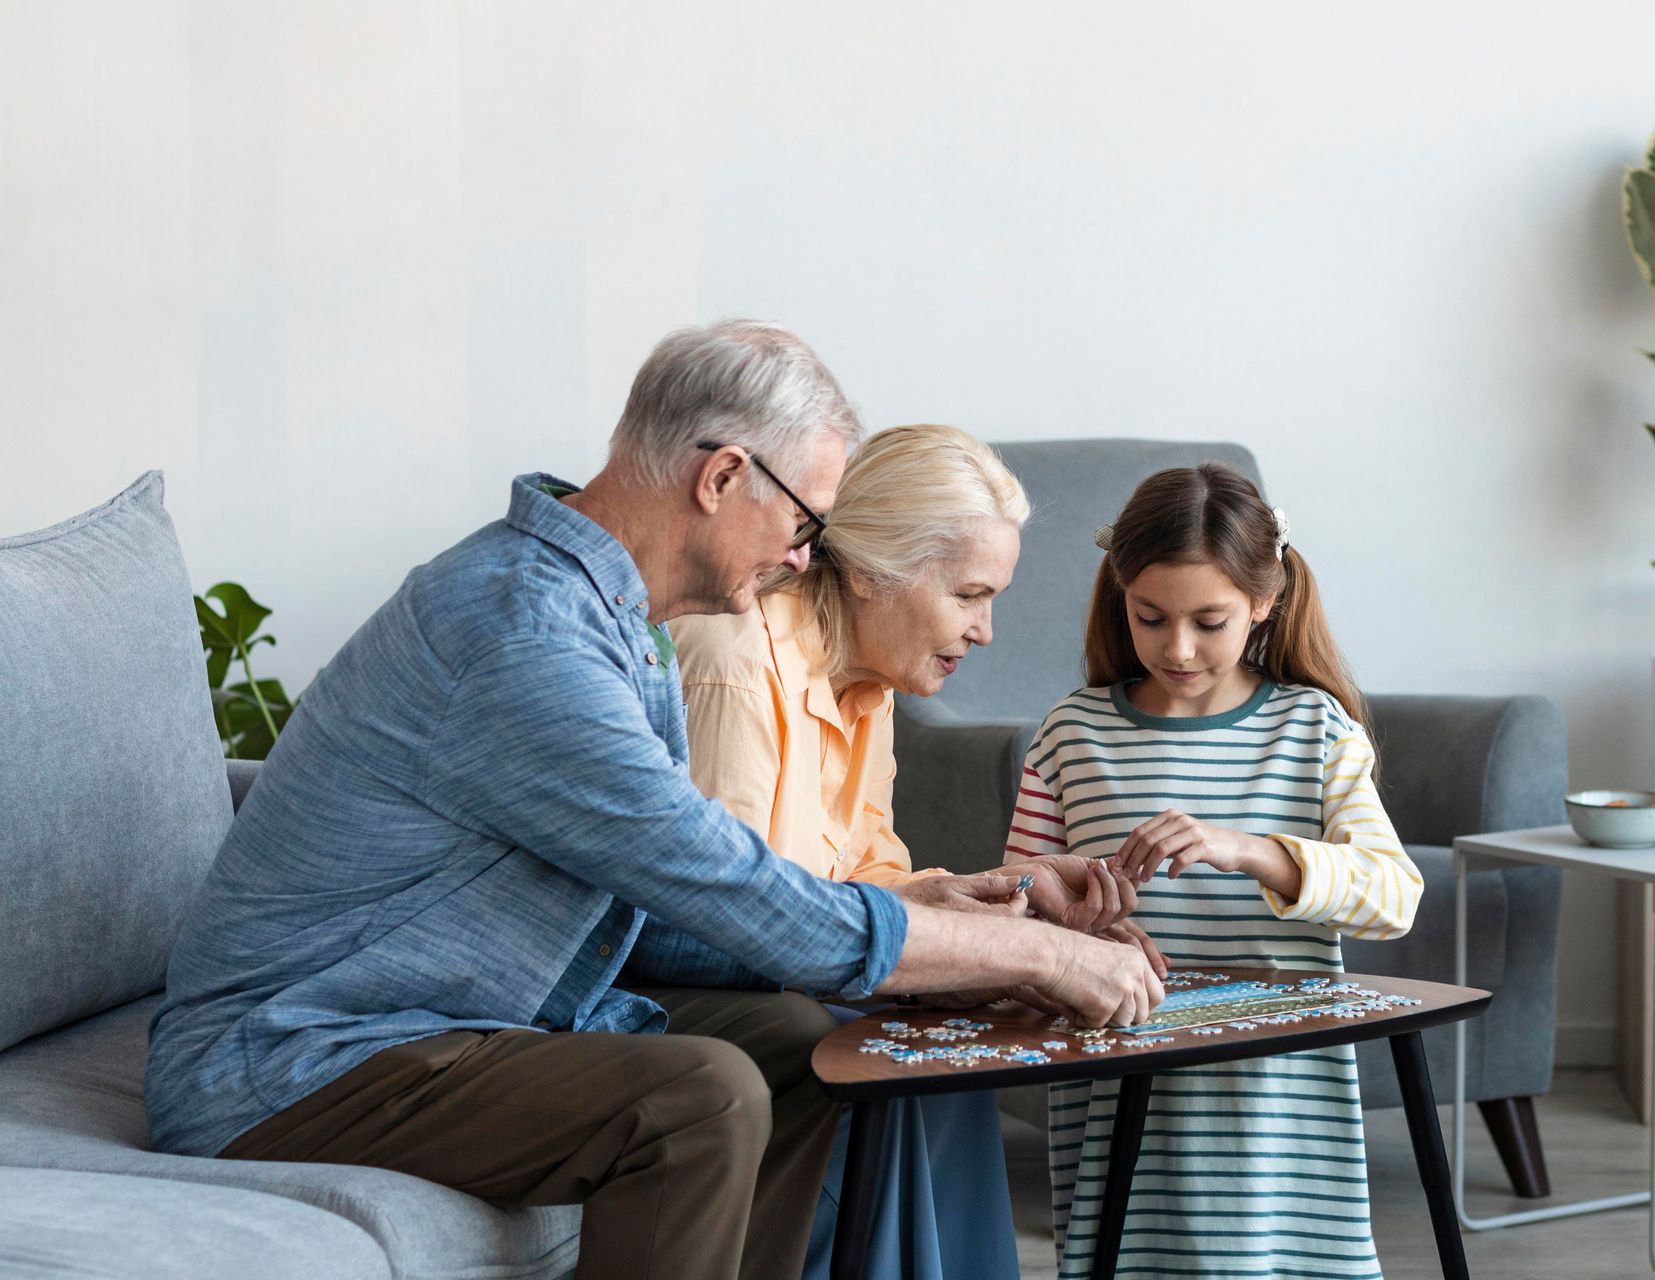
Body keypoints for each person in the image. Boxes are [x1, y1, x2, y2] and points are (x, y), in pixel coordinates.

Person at [144, 320, 1163, 1280]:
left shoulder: (615, 622)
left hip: (442, 1019)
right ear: (723, 476)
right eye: (804, 521)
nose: (807, 557)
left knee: (805, 1043)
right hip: (292, 1056)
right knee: (695, 1098)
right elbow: (728, 882)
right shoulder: (526, 640)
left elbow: (658, 914)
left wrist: (948, 919)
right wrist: (1042, 951)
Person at [672, 423, 1158, 1280]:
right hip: (714, 988)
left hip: (797, 968)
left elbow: (871, 881)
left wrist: (1012, 894)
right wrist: (1012, 952)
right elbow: (738, 923)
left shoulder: (867, 680)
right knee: (906, 1047)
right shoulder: (733, 659)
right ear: (867, 570)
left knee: (958, 1042)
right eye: (970, 594)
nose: (987, 631)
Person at [1003, 463, 1424, 1280]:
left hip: (1276, 1103)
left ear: (1265, 603)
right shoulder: (1069, 734)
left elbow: (1393, 895)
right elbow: (1010, 906)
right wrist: (1069, 926)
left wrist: (1250, 848)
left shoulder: (1313, 732)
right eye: (1150, 618)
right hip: (1118, 1093)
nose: (1177, 648)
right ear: (1119, 591)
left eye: (1210, 621)